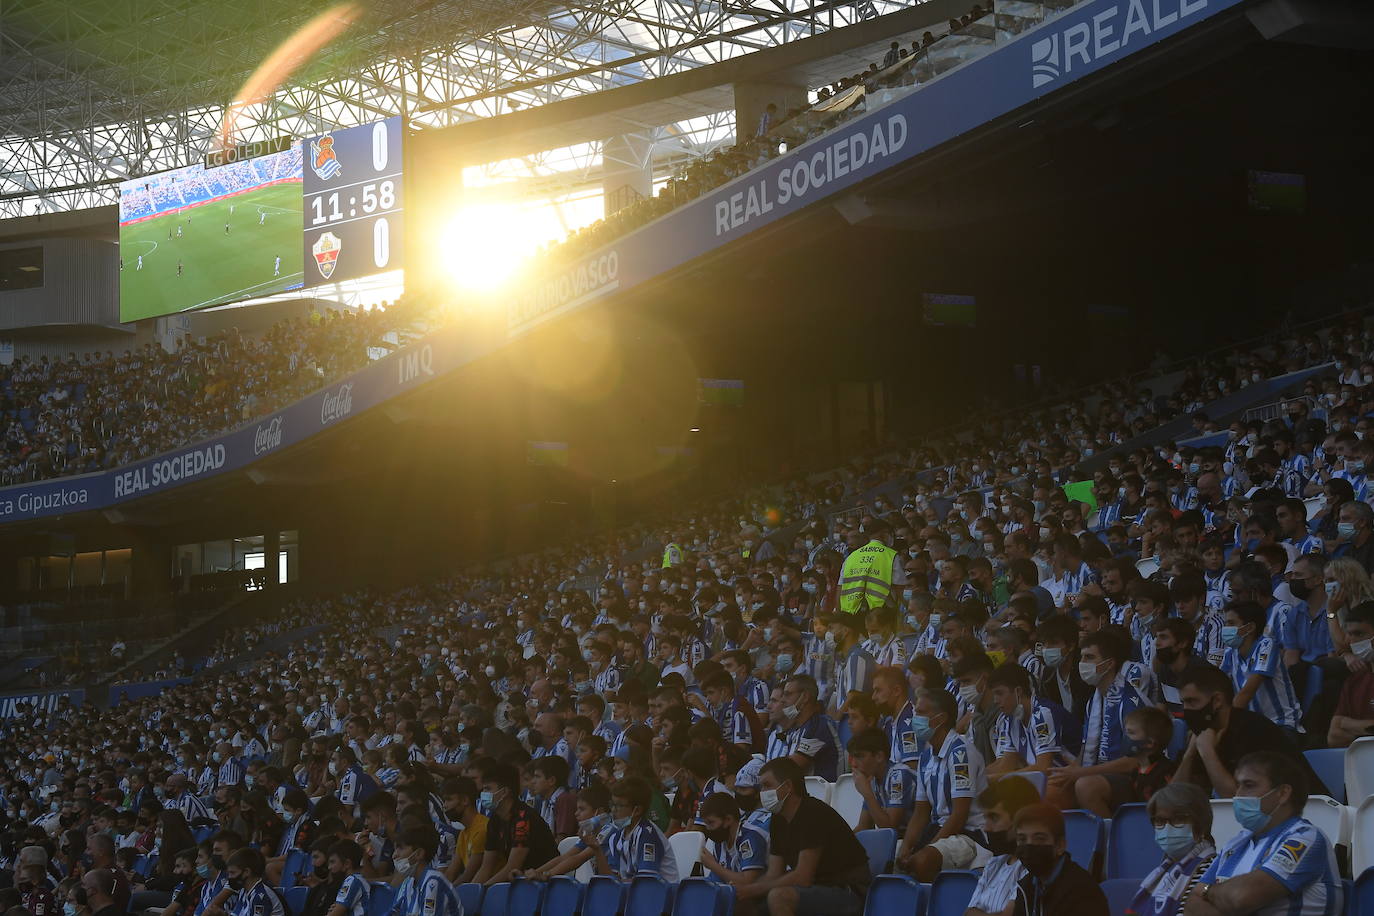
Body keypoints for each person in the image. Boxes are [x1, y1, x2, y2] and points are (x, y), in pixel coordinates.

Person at [1187, 752, 1343, 915]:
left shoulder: (1305, 838)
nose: (1238, 794)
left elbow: (1241, 897)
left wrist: (1208, 891)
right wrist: (1217, 894)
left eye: (1248, 785)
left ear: (1282, 793)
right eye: (1238, 785)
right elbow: (1192, 903)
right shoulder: (1236, 843)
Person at [737, 757, 872, 916]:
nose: (762, 793)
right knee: (739, 900)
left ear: (787, 786)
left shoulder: (813, 813)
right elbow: (774, 874)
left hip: (849, 891)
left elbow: (802, 877)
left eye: (767, 786)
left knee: (779, 897)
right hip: (818, 889)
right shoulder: (778, 818)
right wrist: (742, 891)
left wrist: (753, 889)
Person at [1172, 666, 1323, 798]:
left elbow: (1238, 799)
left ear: (1217, 700)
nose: (1186, 710)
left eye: (1192, 701)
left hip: (1308, 812)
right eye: (1183, 703)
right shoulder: (1204, 732)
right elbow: (1174, 798)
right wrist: (1190, 754)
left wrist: (1207, 752)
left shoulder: (1254, 730)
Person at [894, 687, 989, 881]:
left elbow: (959, 816)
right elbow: (921, 813)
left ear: (941, 718)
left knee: (922, 861)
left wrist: (927, 848)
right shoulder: (926, 756)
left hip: (969, 836)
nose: (914, 718)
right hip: (939, 831)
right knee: (889, 855)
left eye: (920, 712)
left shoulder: (960, 754)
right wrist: (906, 847)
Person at [1126, 783, 1217, 916]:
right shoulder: (1164, 871)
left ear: (1201, 825)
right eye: (1160, 820)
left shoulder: (1209, 868)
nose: (1168, 827)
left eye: (1179, 819)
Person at [1008, 804, 1108, 916]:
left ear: (1060, 846)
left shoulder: (1082, 891)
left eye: (1039, 838)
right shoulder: (1026, 886)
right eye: (1022, 839)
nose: (1029, 845)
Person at [965, 776, 1041, 916]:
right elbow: (968, 912)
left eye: (994, 818)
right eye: (985, 818)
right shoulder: (993, 864)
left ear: (1020, 820)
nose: (986, 828)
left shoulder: (1033, 868)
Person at [470, 763, 558, 885]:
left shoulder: (523, 818)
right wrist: (473, 892)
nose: (483, 793)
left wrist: (484, 890)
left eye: (488, 789)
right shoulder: (495, 820)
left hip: (544, 883)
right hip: (521, 882)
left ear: (505, 791)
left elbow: (513, 866)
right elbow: (486, 868)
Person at [585, 777, 679, 881]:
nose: (613, 810)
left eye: (619, 806)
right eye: (612, 804)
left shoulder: (647, 834)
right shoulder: (616, 836)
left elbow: (646, 881)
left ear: (637, 810)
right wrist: (597, 849)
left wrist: (618, 884)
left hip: (663, 893)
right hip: (634, 893)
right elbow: (610, 879)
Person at [845, 727, 918, 833]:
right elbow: (863, 827)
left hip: (919, 838)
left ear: (879, 756)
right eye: (853, 758)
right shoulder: (873, 779)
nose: (854, 764)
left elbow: (889, 827)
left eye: (860, 756)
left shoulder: (898, 776)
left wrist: (868, 794)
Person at [699, 791, 768, 893]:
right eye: (706, 824)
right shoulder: (719, 841)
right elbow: (715, 883)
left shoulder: (749, 837)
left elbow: (748, 882)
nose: (708, 829)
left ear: (728, 819)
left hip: (758, 898)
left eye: (711, 823)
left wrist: (713, 865)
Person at [390, 826, 460, 916]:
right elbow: (394, 912)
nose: (394, 855)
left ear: (419, 854)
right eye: (395, 849)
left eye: (401, 848)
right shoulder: (408, 883)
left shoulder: (433, 881)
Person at [222, 849, 285, 916]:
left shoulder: (260, 896)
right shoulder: (243, 890)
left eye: (232, 873)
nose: (229, 877)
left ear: (246, 872)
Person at [322, 841, 368, 916]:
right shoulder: (355, 880)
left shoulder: (352, 881)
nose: (329, 867)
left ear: (347, 863)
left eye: (332, 862)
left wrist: (335, 910)